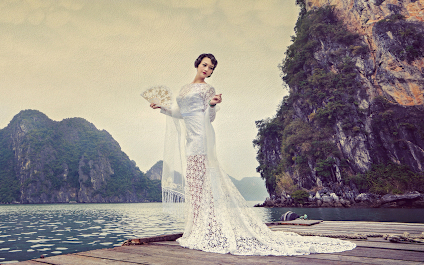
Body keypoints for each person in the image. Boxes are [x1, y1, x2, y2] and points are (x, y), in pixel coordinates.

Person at [149, 53, 355, 255]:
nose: (207, 69)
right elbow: (180, 113)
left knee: (204, 182)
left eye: (211, 68)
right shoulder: (185, 88)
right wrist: (162, 107)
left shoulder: (208, 89)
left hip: (202, 137)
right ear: (197, 64)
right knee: (194, 183)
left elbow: (210, 117)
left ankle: (208, 227)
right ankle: (196, 228)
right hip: (190, 139)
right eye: (204, 65)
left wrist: (212, 105)